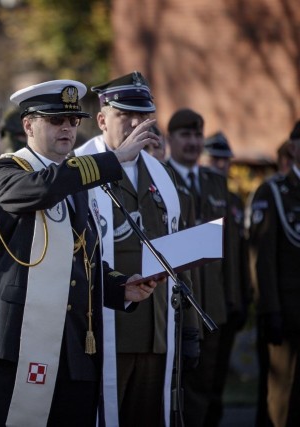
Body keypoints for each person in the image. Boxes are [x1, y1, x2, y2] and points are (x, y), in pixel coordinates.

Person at [0, 79, 160, 427]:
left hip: (77, 344)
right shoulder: (6, 170)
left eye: (73, 121)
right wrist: (112, 160)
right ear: (28, 125)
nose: (66, 128)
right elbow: (39, 189)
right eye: (55, 121)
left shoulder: (75, 183)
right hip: (23, 342)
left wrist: (120, 285)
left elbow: (84, 259)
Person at [75, 72, 200, 427]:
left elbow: (177, 254)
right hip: (99, 331)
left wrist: (187, 328)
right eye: (124, 115)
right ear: (101, 119)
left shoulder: (161, 174)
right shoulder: (80, 169)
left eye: (142, 116)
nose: (135, 123)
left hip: (157, 331)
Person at [164, 110, 242, 427]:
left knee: (211, 388)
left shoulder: (215, 183)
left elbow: (231, 247)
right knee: (179, 390)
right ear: (170, 139)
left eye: (198, 136)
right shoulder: (161, 177)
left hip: (214, 307)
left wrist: (235, 298)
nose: (193, 142)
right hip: (177, 307)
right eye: (186, 135)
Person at [249, 120, 300, 427]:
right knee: (281, 403)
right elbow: (261, 258)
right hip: (288, 317)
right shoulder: (273, 192)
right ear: (292, 148)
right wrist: (270, 311)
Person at [203, 131, 252, 426]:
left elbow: (243, 254)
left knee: (218, 379)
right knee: (201, 382)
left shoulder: (234, 199)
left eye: (225, 160)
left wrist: (244, 297)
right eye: (215, 159)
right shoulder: (197, 193)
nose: (221, 165)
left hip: (231, 300)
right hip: (207, 302)